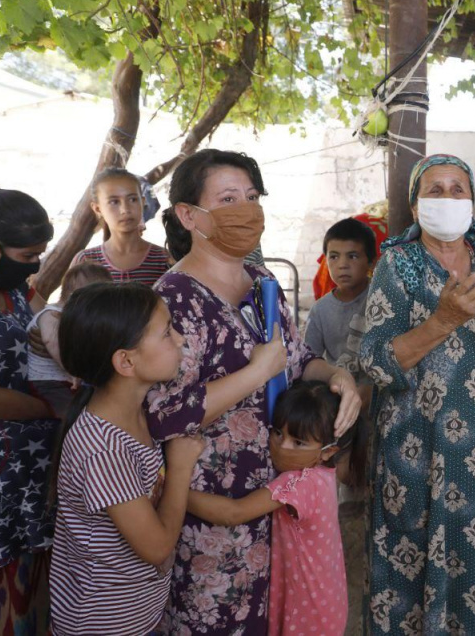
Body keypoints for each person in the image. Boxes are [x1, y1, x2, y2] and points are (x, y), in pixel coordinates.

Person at [146, 148, 362, 633]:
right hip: (209, 504)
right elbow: (164, 415)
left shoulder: (262, 281)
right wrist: (254, 372)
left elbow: (297, 357)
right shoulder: (172, 299)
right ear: (188, 214)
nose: (245, 209)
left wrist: (336, 375)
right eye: (227, 198)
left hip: (274, 497)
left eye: (251, 196)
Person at [360, 154, 475, 636]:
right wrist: (443, 321)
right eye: (435, 190)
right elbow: (376, 361)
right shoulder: (396, 265)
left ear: (472, 199)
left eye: (458, 189)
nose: (447, 198)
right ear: (416, 202)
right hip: (417, 452)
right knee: (411, 570)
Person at [49, 282, 204, 636]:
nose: (180, 339)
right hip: (103, 624)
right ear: (126, 361)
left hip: (133, 614)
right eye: (167, 333)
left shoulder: (132, 411)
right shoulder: (104, 449)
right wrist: (179, 467)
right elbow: (157, 546)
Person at [186, 380, 368, 636]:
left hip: (307, 615)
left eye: (299, 442)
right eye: (278, 434)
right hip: (327, 605)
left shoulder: (299, 484)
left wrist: (174, 491)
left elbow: (233, 512)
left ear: (328, 451)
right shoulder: (324, 473)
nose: (283, 447)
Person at [0, 182, 58, 635]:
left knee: (38, 595)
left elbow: (47, 327)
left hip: (32, 468)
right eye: (27, 256)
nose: (35, 265)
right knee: (7, 603)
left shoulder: (14, 290)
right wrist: (56, 408)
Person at [27, 262, 113, 417]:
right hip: (48, 382)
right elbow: (51, 341)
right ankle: (68, 438)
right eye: (94, 303)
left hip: (67, 382)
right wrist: (72, 369)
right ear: (76, 298)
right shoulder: (51, 315)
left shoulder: (71, 316)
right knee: (70, 416)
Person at [71, 168, 171, 285]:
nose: (125, 210)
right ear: (98, 209)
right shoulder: (86, 261)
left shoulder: (165, 260)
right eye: (114, 202)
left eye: (133, 199)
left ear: (143, 202)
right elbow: (72, 302)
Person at [304, 217, 377, 375]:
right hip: (338, 390)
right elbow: (308, 360)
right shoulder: (320, 310)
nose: (342, 265)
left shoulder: (382, 299)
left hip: (378, 391)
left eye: (352, 256)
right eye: (334, 257)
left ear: (371, 262)